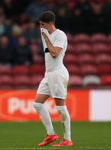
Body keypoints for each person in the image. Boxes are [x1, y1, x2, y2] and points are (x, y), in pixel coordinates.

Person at [33, 11, 72, 147]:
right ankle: (51, 134)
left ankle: (67, 139)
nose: (41, 27)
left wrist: (46, 37)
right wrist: (45, 35)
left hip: (58, 73)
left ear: (50, 24)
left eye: (43, 24)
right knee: (37, 104)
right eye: (40, 25)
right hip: (48, 74)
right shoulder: (46, 33)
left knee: (61, 108)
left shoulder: (59, 35)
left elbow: (55, 53)